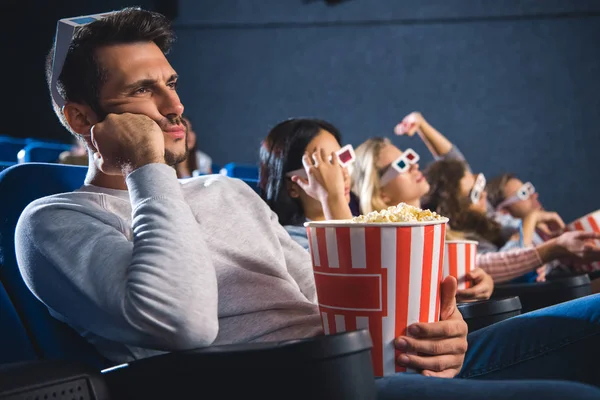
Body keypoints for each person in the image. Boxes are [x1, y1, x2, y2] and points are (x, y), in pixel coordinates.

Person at [12, 8, 600, 399]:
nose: (174, 107)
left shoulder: (225, 191)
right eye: (143, 90)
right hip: (300, 386)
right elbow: (184, 322)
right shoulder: (51, 222)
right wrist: (147, 169)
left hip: (370, 365)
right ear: (82, 118)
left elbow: (328, 301)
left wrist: (435, 331)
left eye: (172, 83)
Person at [259, 118, 353, 249]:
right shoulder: (290, 241)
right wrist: (333, 197)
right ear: (292, 187)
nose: (343, 174)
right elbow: (358, 263)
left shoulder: (358, 220)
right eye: (327, 166)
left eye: (342, 158)